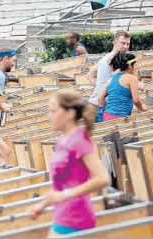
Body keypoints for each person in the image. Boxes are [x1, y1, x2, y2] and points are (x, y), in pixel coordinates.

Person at [28, 89, 110, 237]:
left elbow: (102, 178)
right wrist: (42, 205)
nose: (50, 116)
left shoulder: (79, 140)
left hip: (76, 218)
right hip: (62, 216)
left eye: (53, 111)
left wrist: (66, 195)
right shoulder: (62, 141)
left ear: (70, 113)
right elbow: (62, 187)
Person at [87, 31, 132, 123]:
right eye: (123, 43)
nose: (126, 47)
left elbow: (89, 76)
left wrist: (101, 89)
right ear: (114, 43)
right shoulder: (117, 61)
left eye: (128, 44)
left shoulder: (104, 58)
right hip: (102, 107)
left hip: (94, 103)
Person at [98, 52, 148, 121]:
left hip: (107, 116)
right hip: (121, 118)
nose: (136, 67)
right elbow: (136, 100)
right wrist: (142, 107)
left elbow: (100, 98)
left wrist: (110, 109)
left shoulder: (111, 79)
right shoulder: (132, 78)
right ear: (130, 65)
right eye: (135, 65)